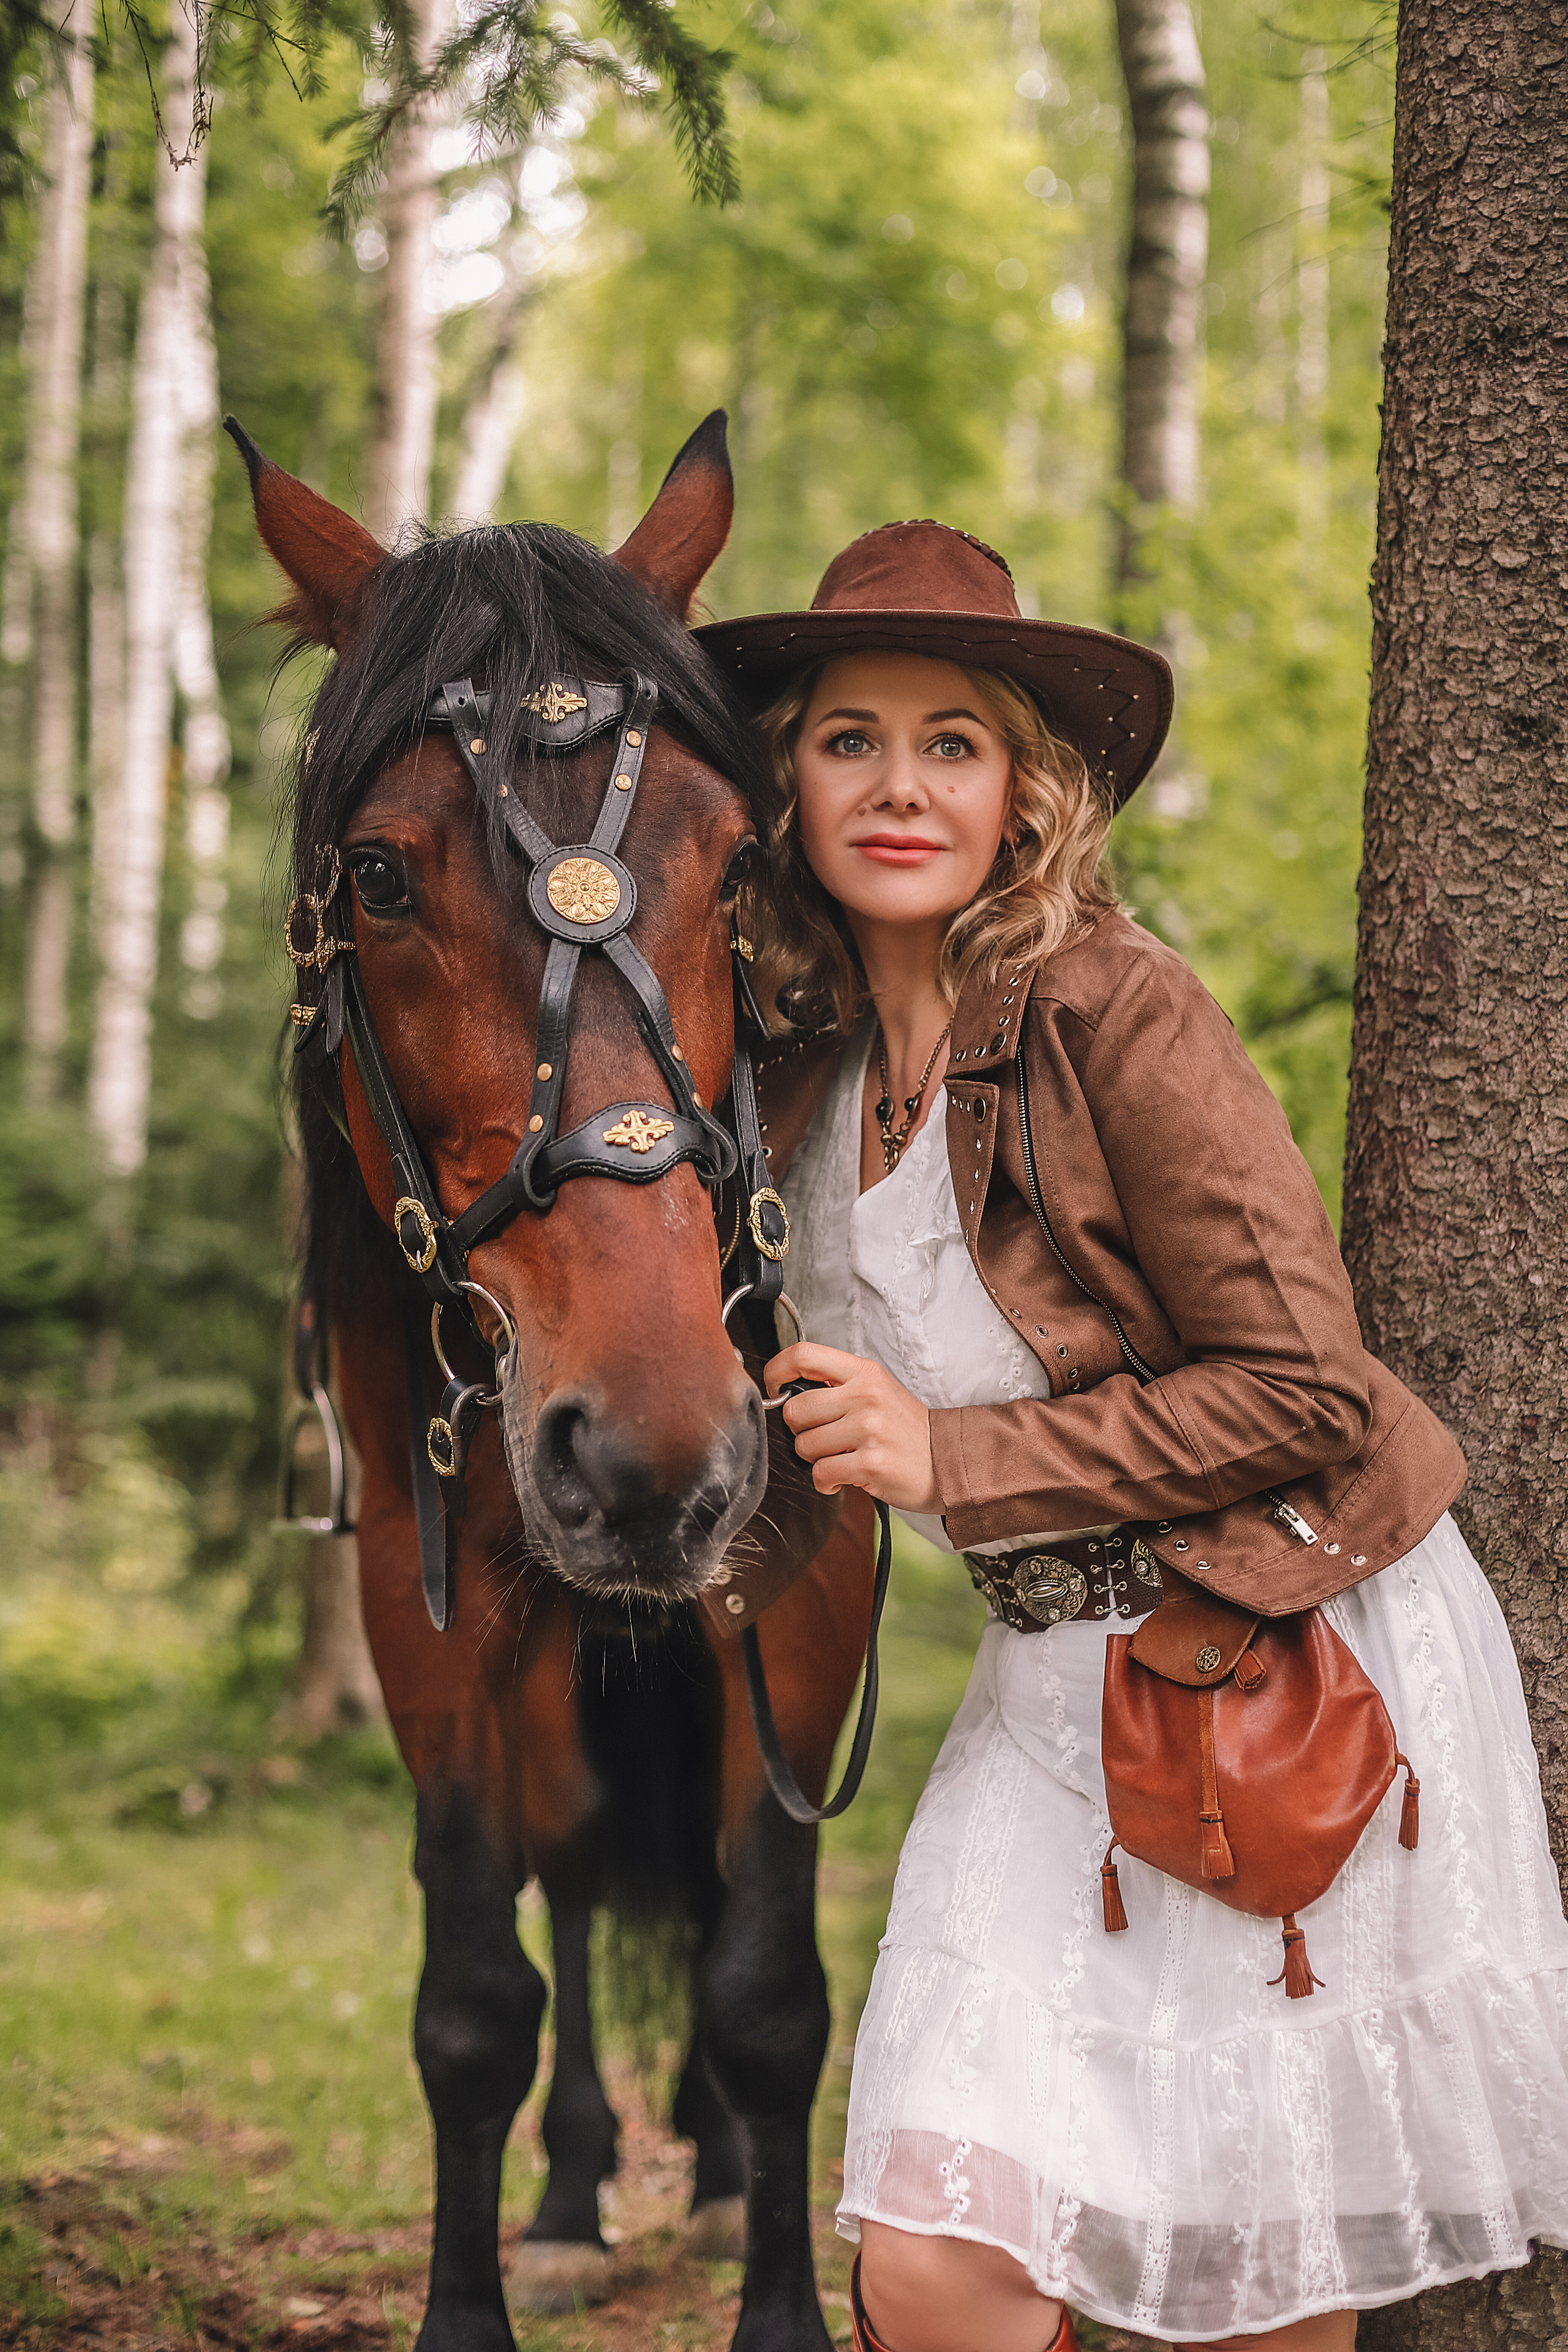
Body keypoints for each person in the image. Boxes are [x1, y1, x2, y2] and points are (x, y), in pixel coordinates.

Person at [695, 524, 1568, 2351]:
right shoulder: (797, 1065)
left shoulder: (1119, 1005)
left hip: (1278, 1665)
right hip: (1044, 1693)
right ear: (786, 782)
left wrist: (951, 1463)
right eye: (849, 737)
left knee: (1248, 2283)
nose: (900, 784)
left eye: (954, 741)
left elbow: (1306, 1389)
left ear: (1026, 793)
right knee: (937, 2257)